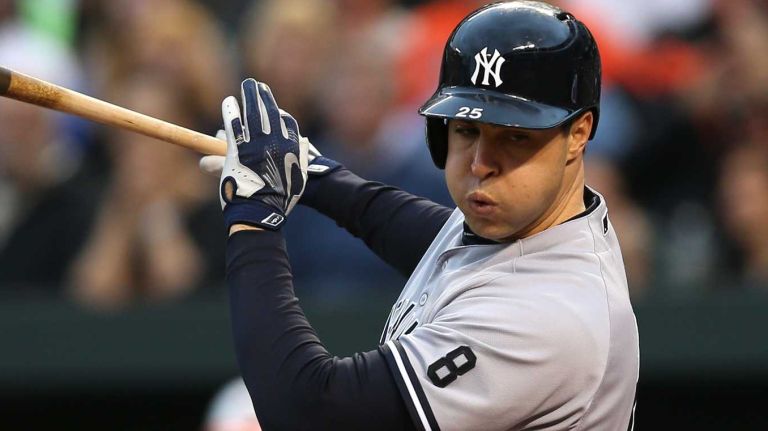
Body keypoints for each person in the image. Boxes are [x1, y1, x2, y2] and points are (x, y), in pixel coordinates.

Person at [200, 2, 639, 429]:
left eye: (515, 136)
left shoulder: (548, 319)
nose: (480, 163)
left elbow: (308, 409)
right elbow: (431, 236)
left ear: (579, 133)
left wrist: (254, 219)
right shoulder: (537, 226)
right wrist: (316, 174)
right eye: (467, 130)